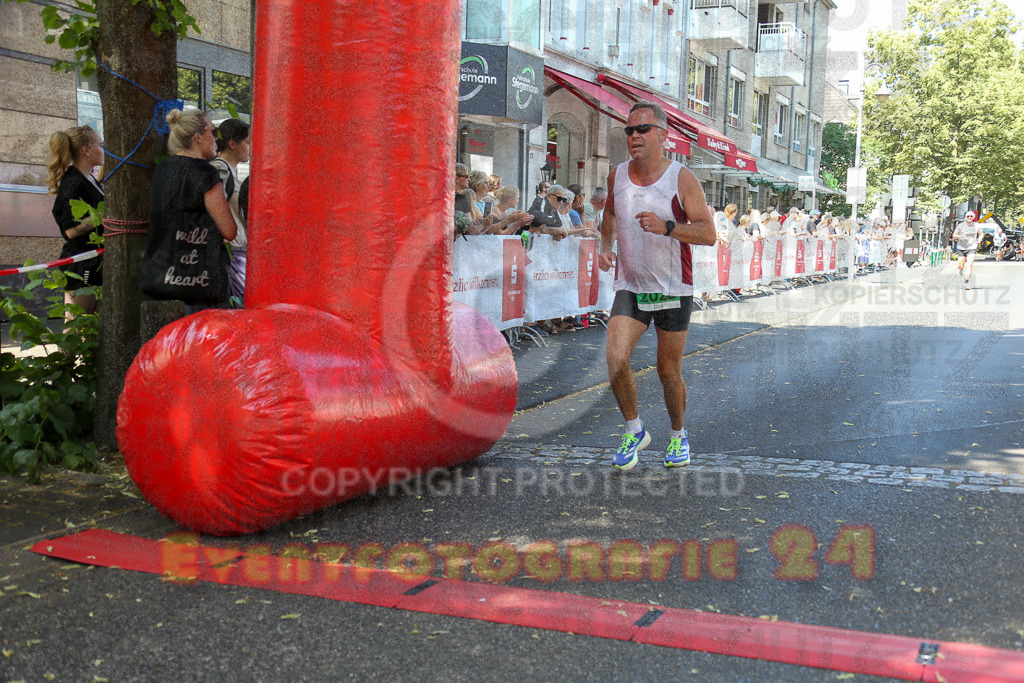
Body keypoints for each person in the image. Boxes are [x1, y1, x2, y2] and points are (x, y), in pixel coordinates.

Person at [597, 101, 715, 470]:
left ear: (663, 135)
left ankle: (678, 437)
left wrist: (667, 226)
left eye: (642, 129)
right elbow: (610, 216)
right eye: (629, 130)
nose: (634, 136)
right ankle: (635, 429)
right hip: (631, 286)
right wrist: (605, 247)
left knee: (668, 371)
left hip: (671, 288)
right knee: (616, 359)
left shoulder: (680, 178)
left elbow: (708, 233)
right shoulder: (616, 175)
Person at [142, 109, 236, 310]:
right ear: (198, 137)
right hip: (202, 281)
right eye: (213, 132)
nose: (216, 139)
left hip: (165, 277)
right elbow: (229, 230)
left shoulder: (162, 169)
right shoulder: (204, 171)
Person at [46, 125, 105, 315]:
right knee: (76, 327)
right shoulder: (73, 182)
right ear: (86, 150)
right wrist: (102, 217)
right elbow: (70, 230)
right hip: (81, 264)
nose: (103, 150)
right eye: (100, 145)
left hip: (94, 261)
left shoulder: (89, 179)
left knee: (90, 329)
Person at [209, 118, 251, 304]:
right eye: (247, 142)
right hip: (231, 251)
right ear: (233, 144)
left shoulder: (229, 171)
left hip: (237, 250)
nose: (250, 148)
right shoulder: (220, 170)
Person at [952, 211, 984, 289]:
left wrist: (979, 240)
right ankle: (959, 277)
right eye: (967, 216)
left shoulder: (976, 225)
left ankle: (966, 282)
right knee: (960, 266)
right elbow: (954, 235)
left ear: (973, 217)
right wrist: (960, 237)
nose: (969, 218)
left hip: (972, 247)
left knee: (970, 264)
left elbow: (981, 233)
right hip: (961, 247)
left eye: (971, 216)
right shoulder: (960, 226)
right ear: (965, 217)